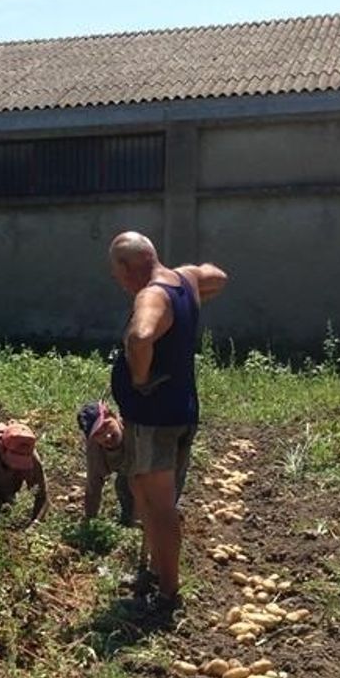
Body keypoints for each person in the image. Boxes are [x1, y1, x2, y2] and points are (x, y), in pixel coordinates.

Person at [107, 231, 228, 614]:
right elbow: (219, 276)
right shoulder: (185, 279)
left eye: (117, 271)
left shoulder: (152, 295)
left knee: (159, 506)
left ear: (129, 267)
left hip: (155, 418)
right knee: (146, 495)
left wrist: (139, 379)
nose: (118, 280)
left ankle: (167, 596)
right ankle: (156, 573)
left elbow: (141, 338)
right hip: (180, 409)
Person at [77, 400, 133, 526]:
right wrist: (90, 522)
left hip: (158, 461)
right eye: (98, 434)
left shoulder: (135, 429)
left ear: (113, 416)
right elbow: (94, 485)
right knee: (124, 484)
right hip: (126, 467)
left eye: (106, 426)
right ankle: (131, 521)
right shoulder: (95, 449)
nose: (106, 436)